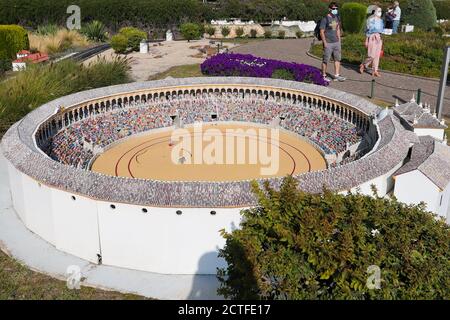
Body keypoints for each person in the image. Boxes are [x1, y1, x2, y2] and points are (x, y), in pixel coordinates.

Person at [319, 2, 346, 82]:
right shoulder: (325, 19)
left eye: (336, 9)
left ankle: (336, 75)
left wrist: (339, 41)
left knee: (337, 59)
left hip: (336, 42)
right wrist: (325, 43)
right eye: (334, 9)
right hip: (328, 43)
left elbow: (337, 29)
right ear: (329, 9)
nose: (335, 10)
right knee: (325, 60)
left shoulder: (337, 18)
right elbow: (321, 32)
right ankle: (323, 75)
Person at [359, 6, 384, 77]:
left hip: (379, 38)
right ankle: (363, 64)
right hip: (372, 38)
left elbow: (381, 31)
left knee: (377, 56)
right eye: (378, 11)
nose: (380, 13)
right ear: (375, 12)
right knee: (371, 55)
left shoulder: (381, 21)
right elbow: (367, 31)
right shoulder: (370, 20)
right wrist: (366, 40)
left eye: (381, 11)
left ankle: (375, 70)